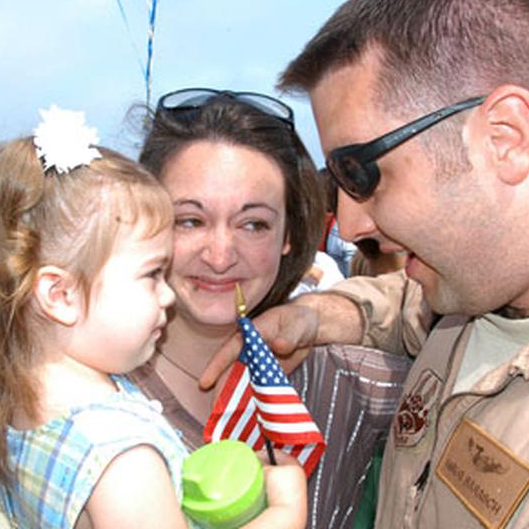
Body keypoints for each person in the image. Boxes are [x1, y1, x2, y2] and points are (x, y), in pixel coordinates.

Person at [200, 0, 529, 527]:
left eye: (361, 173)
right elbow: (402, 307)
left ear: (505, 137)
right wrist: (322, 315)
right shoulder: (466, 287)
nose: (350, 223)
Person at [0, 107, 307, 528]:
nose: (166, 294)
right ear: (60, 295)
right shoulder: (124, 463)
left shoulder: (14, 401)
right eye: (151, 274)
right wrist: (285, 514)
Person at [133, 88, 412, 528]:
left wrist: (334, 313)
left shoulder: (342, 382)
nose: (221, 255)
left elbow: (474, 315)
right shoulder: (78, 399)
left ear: (288, 235)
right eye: (190, 220)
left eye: (253, 224)